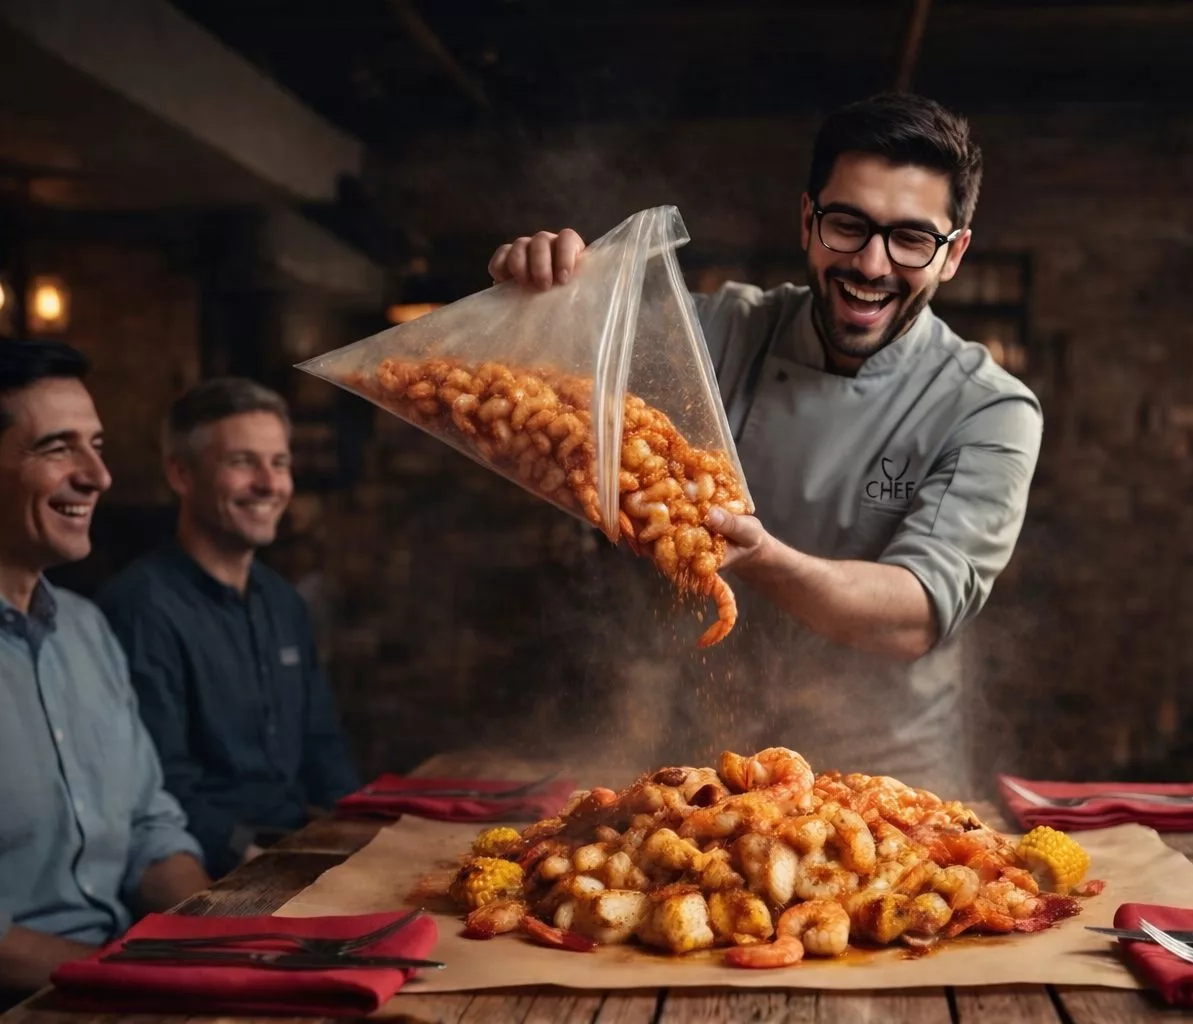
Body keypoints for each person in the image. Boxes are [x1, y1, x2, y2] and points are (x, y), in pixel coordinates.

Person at [487, 93, 1042, 795]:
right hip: (703, 767)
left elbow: (914, 614)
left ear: (953, 254)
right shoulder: (719, 332)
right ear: (808, 221)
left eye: (911, 239)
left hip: (888, 782)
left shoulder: (987, 408)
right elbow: (545, 375)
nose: (872, 264)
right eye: (848, 225)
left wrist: (762, 558)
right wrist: (537, 289)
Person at [0, 340, 208, 997]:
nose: (98, 475)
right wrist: (129, 979)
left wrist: (218, 939)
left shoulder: (87, 629)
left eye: (96, 445)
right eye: (57, 448)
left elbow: (150, 828)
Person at [96, 378, 359, 879]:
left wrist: (362, 829)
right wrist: (246, 854)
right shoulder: (139, 608)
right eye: (243, 462)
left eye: (279, 463)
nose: (269, 484)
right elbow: (157, 783)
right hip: (211, 868)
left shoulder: (284, 603)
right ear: (181, 474)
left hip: (298, 846)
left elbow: (323, 746)